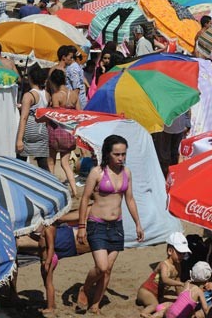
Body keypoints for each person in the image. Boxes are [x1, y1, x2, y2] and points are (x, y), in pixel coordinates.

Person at [76, 135, 144, 314]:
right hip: (97, 225)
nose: (121, 158)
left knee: (108, 269)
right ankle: (84, 289)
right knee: (102, 266)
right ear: (107, 154)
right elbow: (84, 200)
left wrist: (138, 223)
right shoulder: (96, 172)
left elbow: (129, 199)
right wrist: (81, 227)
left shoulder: (126, 173)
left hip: (117, 226)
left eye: (123, 154)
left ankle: (96, 304)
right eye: (117, 154)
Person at [137, 232, 191, 317]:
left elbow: (177, 285)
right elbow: (165, 279)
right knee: (154, 305)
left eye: (184, 253)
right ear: (170, 251)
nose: (182, 256)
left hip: (158, 295)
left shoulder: (178, 266)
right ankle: (144, 313)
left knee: (173, 301)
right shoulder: (164, 264)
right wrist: (181, 283)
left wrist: (181, 298)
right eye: (180, 253)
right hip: (146, 291)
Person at [47, 68, 81, 196]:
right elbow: (79, 113)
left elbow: (56, 115)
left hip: (56, 132)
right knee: (65, 163)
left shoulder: (56, 95)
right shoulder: (74, 95)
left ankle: (51, 188)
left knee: (51, 162)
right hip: (69, 133)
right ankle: (74, 189)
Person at [15, 64, 50, 170]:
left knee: (21, 163)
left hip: (29, 130)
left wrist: (19, 140)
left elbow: (24, 118)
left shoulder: (28, 95)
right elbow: (38, 109)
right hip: (41, 129)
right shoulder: (46, 94)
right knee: (43, 163)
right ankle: (49, 184)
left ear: (30, 78)